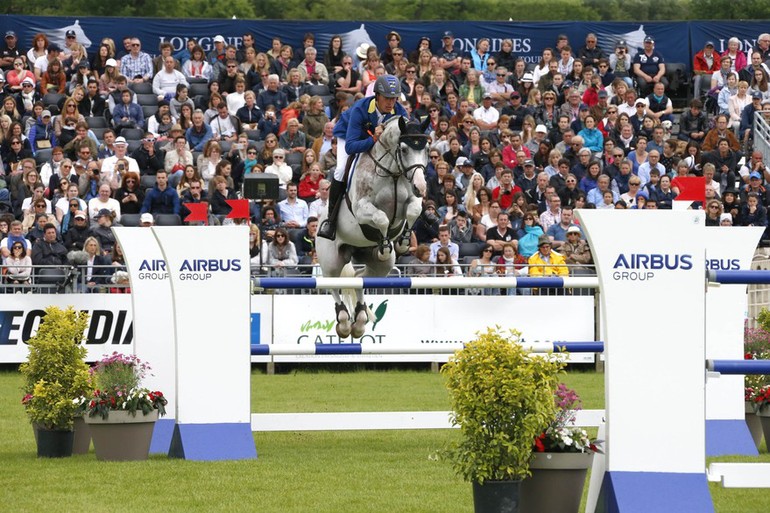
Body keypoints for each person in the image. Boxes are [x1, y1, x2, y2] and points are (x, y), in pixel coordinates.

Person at [319, 74, 407, 240]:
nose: (391, 103)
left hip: (375, 140)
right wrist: (373, 139)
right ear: (377, 96)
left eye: (394, 99)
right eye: (387, 98)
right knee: (339, 170)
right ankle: (330, 221)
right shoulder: (361, 108)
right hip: (349, 136)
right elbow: (352, 146)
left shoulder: (399, 111)